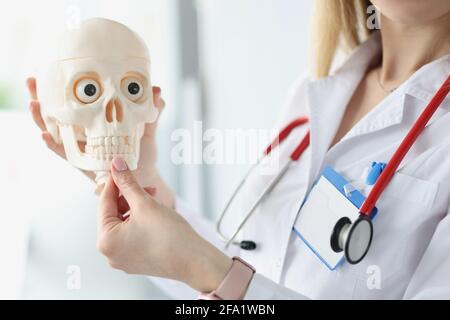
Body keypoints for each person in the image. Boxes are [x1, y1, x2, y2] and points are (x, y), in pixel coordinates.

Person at [26, 0, 450, 299]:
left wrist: (208, 269)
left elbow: (227, 278)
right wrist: (146, 188)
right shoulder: (313, 93)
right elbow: (249, 271)